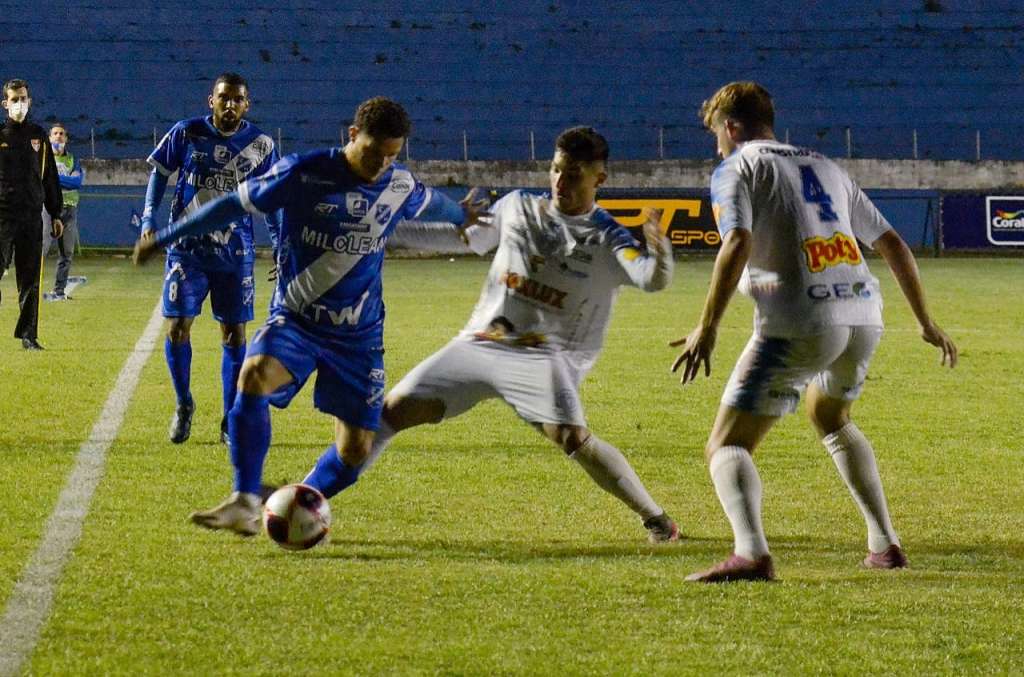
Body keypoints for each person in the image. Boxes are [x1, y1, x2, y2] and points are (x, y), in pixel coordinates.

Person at [300, 127, 681, 543]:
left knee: (572, 438)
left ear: (599, 179)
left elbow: (650, 279)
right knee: (389, 413)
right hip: (480, 343)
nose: (560, 181)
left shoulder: (607, 237)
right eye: (555, 170)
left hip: (543, 356)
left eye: (573, 174)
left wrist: (659, 249)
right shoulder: (518, 206)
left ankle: (656, 518)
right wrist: (384, 231)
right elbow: (462, 238)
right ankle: (305, 496)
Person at [133, 96, 489, 536]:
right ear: (352, 135)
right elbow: (231, 205)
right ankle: (244, 500)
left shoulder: (398, 184)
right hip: (298, 318)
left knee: (357, 448)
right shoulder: (303, 171)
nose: (381, 165)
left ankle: (296, 499)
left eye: (392, 156)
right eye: (374, 153)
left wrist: (461, 215)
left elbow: (435, 203)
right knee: (255, 374)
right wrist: (165, 236)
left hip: (358, 335)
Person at [670, 81, 958, 582]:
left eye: (716, 133)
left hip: (800, 320)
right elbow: (892, 243)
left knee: (726, 445)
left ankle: (751, 553)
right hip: (864, 314)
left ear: (731, 128)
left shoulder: (736, 167)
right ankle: (884, 543)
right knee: (829, 414)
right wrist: (925, 322)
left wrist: (707, 326)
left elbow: (736, 240)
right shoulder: (826, 165)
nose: (716, 144)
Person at [141, 72, 279, 444]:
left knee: (234, 335)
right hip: (187, 251)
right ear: (211, 100)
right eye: (224, 98)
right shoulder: (187, 132)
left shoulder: (262, 146)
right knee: (177, 326)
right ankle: (184, 404)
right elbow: (160, 173)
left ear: (246, 104)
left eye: (237, 99)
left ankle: (230, 418)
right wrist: (150, 218)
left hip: (236, 254)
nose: (230, 104)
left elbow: (273, 200)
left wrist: (281, 245)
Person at [0, 78, 63, 350]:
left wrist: (56, 213)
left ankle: (29, 336)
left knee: (30, 279)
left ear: (30, 101)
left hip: (31, 218)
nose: (19, 104)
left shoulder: (39, 136)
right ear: (5, 104)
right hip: (1, 217)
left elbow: (49, 177)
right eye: (14, 99)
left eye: (23, 98)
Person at [42, 122, 85, 301]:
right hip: (49, 209)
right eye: (55, 134)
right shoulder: (44, 158)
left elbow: (76, 183)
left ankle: (59, 291)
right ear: (50, 138)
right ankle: (32, 289)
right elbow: (41, 179)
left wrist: (53, 179)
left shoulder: (72, 159)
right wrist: (63, 179)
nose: (58, 136)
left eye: (62, 134)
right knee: (41, 249)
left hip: (70, 210)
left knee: (66, 253)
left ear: (66, 139)